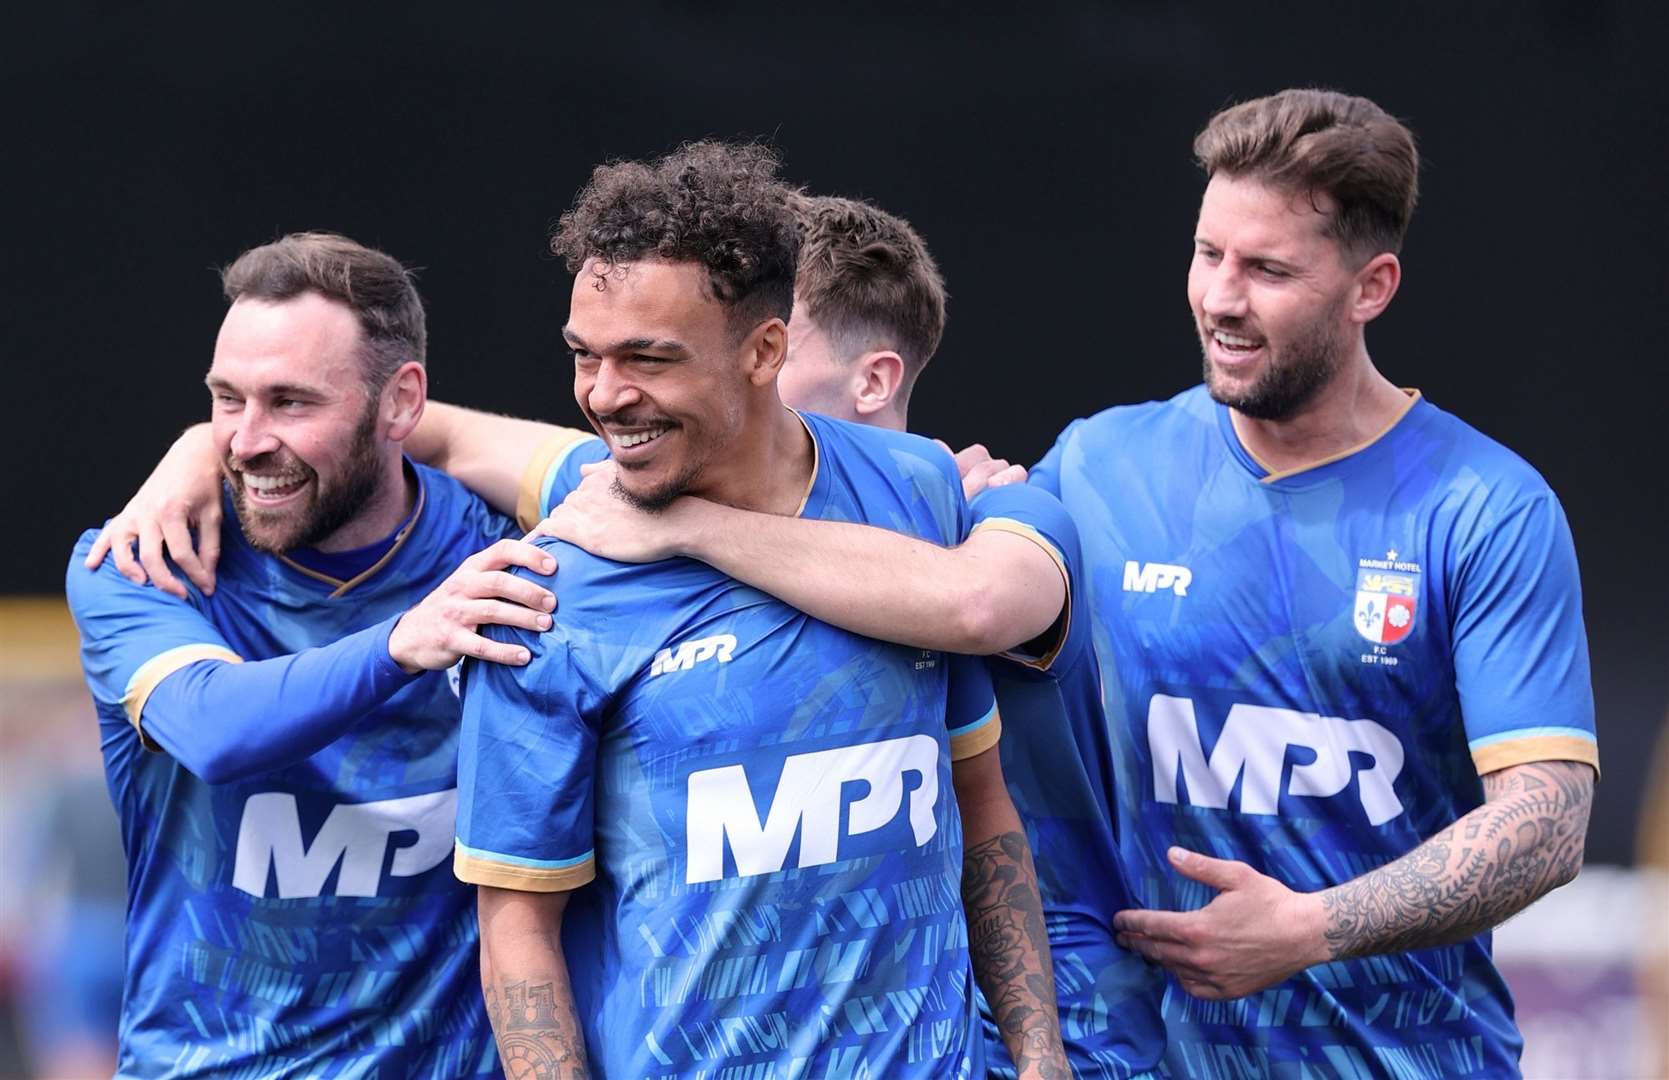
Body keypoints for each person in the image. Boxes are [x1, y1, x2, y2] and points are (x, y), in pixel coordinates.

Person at [952, 88, 1595, 1077]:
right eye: (1209, 254)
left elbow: (1546, 818)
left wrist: (1310, 928)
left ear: (1369, 287)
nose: (1219, 296)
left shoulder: (1484, 508)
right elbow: (959, 616)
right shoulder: (1097, 465)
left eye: (1267, 269)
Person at [451, 141, 1067, 1077]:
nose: (605, 397)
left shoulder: (918, 489)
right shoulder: (545, 590)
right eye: (585, 356)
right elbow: (516, 927)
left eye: (648, 359)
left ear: (765, 349)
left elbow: (978, 807)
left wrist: (1037, 1052)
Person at [66, 232, 563, 1077]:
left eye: (291, 402)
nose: (247, 441)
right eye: (226, 400)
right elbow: (210, 728)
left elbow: (641, 477)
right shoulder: (144, 561)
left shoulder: (514, 559)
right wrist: (403, 644)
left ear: (401, 402)